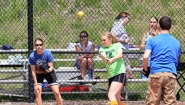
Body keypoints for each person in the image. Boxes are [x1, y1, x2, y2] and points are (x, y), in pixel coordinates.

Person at [142, 16, 181, 105]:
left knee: (153, 101)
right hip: (170, 73)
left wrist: (145, 69)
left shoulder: (152, 40)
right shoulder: (176, 42)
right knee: (170, 102)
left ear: (159, 26)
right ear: (170, 27)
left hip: (156, 72)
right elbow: (178, 58)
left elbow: (145, 57)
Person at [28, 38, 63, 105]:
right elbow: (33, 71)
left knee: (56, 92)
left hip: (48, 73)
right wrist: (35, 84)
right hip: (38, 73)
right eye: (37, 45)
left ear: (43, 45)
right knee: (37, 92)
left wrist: (45, 71)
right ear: (35, 46)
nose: (39, 46)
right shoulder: (32, 56)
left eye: (40, 45)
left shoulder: (47, 53)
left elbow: (51, 67)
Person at [99, 32, 126, 105]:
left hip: (119, 73)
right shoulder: (102, 49)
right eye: (102, 40)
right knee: (117, 98)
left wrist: (112, 59)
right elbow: (103, 55)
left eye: (104, 40)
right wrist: (105, 58)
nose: (103, 42)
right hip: (111, 75)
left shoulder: (117, 45)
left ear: (110, 39)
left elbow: (120, 55)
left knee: (111, 95)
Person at [110, 11, 134, 79]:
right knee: (125, 69)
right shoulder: (118, 25)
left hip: (123, 51)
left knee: (127, 68)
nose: (128, 20)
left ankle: (126, 78)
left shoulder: (121, 26)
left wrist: (126, 40)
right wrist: (124, 40)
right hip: (120, 50)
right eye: (128, 18)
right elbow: (112, 35)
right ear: (123, 18)